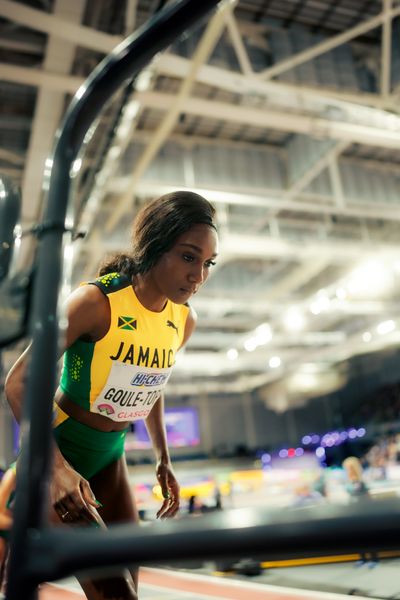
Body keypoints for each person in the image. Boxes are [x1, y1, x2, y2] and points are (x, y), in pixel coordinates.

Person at [4, 191, 219, 600]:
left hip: (110, 456)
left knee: (126, 594)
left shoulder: (184, 318)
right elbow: (19, 382)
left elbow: (152, 382)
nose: (199, 276)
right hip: (62, 454)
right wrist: (59, 470)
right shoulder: (95, 302)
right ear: (155, 245)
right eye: (189, 257)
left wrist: (163, 457)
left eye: (208, 263)